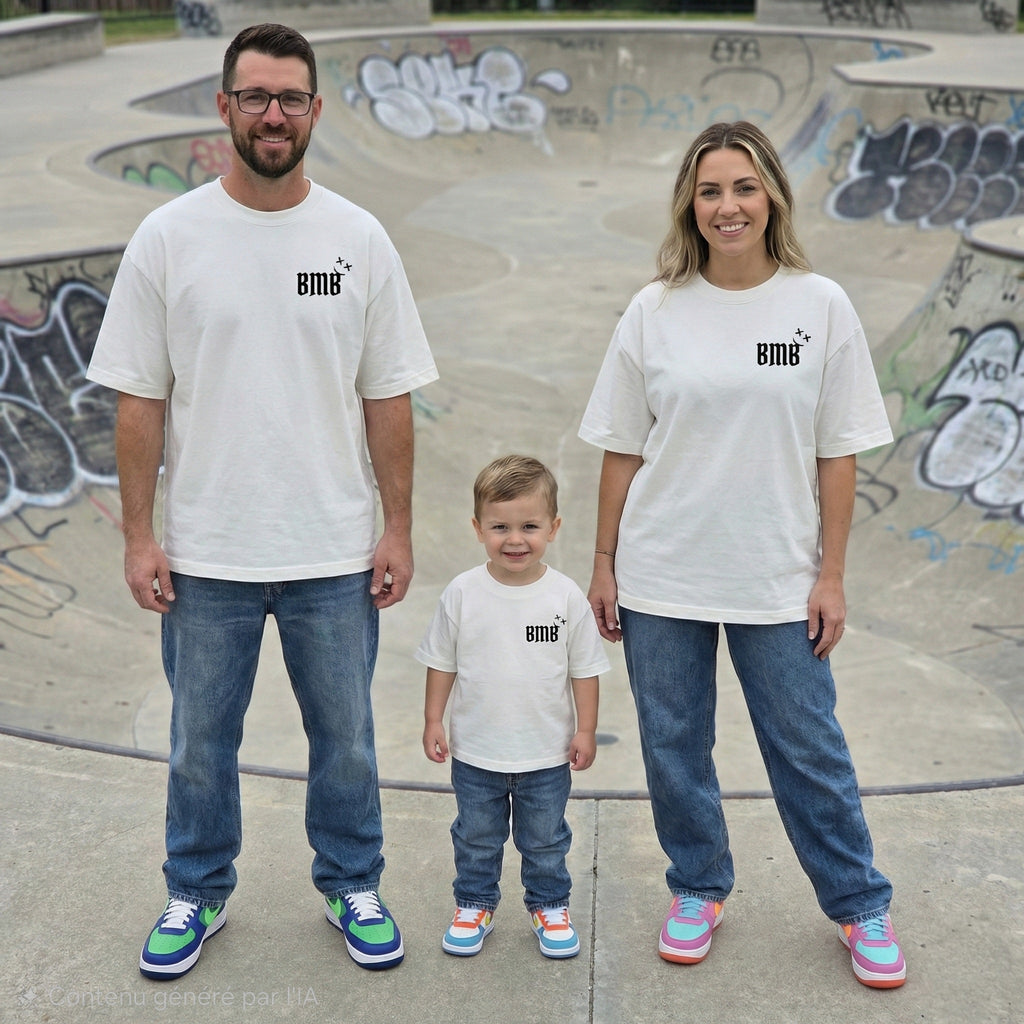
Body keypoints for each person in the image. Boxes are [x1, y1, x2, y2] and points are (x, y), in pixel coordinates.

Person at [86, 23, 438, 979]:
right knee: (200, 742)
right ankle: (195, 893)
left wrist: (397, 528)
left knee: (349, 740)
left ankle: (351, 881)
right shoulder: (171, 236)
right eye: (255, 96)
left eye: (290, 98)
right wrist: (138, 536)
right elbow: (137, 398)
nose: (273, 114)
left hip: (331, 548)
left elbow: (389, 394)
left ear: (316, 111)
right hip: (207, 551)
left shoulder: (357, 238)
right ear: (225, 108)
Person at [578, 121, 906, 989]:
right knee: (674, 744)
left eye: (745, 188)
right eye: (712, 189)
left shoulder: (819, 304)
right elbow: (621, 447)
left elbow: (838, 454)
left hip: (776, 573)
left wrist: (831, 574)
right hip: (664, 568)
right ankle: (697, 888)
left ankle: (859, 903)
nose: (729, 206)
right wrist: (604, 564)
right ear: (691, 202)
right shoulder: (656, 309)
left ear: (773, 199)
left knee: (807, 746)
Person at [417, 455, 609, 959]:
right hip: (476, 751)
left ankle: (549, 905)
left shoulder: (564, 597)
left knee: (545, 839)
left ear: (554, 527)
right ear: (478, 528)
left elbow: (584, 670)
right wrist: (433, 718)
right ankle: (474, 905)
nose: (515, 539)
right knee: (476, 838)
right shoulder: (463, 592)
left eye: (530, 526)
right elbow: (442, 662)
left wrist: (586, 730)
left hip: (545, 754)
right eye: (500, 526)